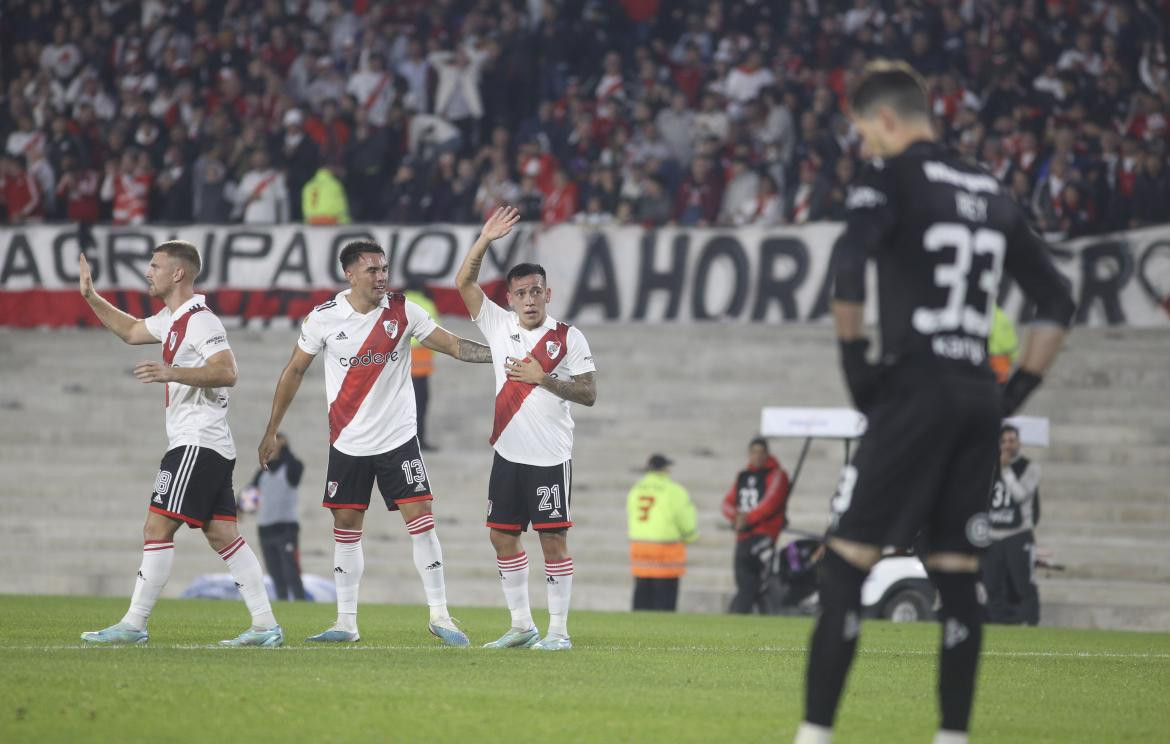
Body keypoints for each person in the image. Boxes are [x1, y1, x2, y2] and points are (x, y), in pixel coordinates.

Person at [794, 61, 1075, 744]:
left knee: (845, 565)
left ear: (886, 120)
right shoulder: (989, 185)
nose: (864, 148)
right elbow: (1058, 300)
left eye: (864, 133)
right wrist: (1014, 394)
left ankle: (815, 734)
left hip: (914, 387)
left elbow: (851, 266)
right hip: (978, 398)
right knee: (955, 575)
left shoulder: (889, 177)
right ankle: (952, 736)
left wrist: (859, 371)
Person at [257, 240, 493, 646]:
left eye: (384, 268)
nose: (382, 276)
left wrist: (502, 354)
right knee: (346, 526)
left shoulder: (403, 311)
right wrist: (271, 429)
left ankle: (441, 615)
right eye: (372, 270)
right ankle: (346, 622)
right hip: (348, 441)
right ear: (350, 274)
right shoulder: (324, 319)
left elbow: (452, 344)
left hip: (398, 439)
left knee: (421, 520)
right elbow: (294, 371)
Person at [77, 241, 283, 647]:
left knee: (157, 525)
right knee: (223, 535)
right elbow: (133, 330)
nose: (148, 272)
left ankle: (134, 623)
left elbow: (227, 371)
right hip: (210, 443)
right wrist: (90, 296)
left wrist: (171, 372)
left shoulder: (200, 320)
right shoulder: (172, 318)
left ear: (178, 274)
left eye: (155, 266)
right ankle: (265, 626)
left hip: (196, 442)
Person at [455, 206, 598, 651]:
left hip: (550, 458)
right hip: (508, 454)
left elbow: (590, 393)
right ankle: (522, 626)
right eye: (521, 293)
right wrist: (483, 241)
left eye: (536, 291)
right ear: (511, 298)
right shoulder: (497, 325)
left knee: (552, 539)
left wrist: (545, 379)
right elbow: (464, 283)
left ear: (548, 293)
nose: (530, 299)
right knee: (502, 535)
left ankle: (558, 632)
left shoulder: (568, 338)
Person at [722, 437, 790, 614]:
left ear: (767, 454)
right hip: (743, 535)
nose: (757, 456)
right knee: (744, 579)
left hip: (764, 534)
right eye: (754, 452)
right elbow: (727, 503)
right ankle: (758, 614)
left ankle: (739, 613)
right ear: (749, 454)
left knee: (752, 580)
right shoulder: (743, 475)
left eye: (761, 453)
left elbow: (770, 503)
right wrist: (736, 518)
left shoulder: (777, 475)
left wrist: (746, 519)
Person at [982, 425, 1041, 625]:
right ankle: (999, 624)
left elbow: (1020, 495)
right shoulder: (990, 466)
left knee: (1023, 584)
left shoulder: (1029, 467)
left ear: (1019, 443)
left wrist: (1006, 470)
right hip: (993, 534)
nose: (1008, 445)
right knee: (991, 584)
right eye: (1004, 441)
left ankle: (1030, 622)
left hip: (1018, 532)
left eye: (1011, 440)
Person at [627, 453, 698, 612]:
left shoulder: (635, 490)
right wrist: (690, 536)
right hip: (665, 550)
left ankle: (635, 631)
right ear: (664, 469)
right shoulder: (673, 490)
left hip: (639, 549)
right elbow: (685, 518)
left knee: (642, 596)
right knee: (664, 601)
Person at [247, 432, 308, 601]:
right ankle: (283, 604)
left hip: (286, 528)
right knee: (275, 573)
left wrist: (285, 448)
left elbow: (297, 467)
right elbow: (249, 499)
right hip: (265, 529)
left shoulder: (291, 468)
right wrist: (241, 507)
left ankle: (300, 603)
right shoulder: (261, 473)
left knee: (291, 570)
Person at [404, 282, 440, 451]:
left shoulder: (398, 302)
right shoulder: (427, 304)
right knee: (419, 404)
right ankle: (419, 441)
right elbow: (436, 334)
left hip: (398, 360)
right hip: (421, 363)